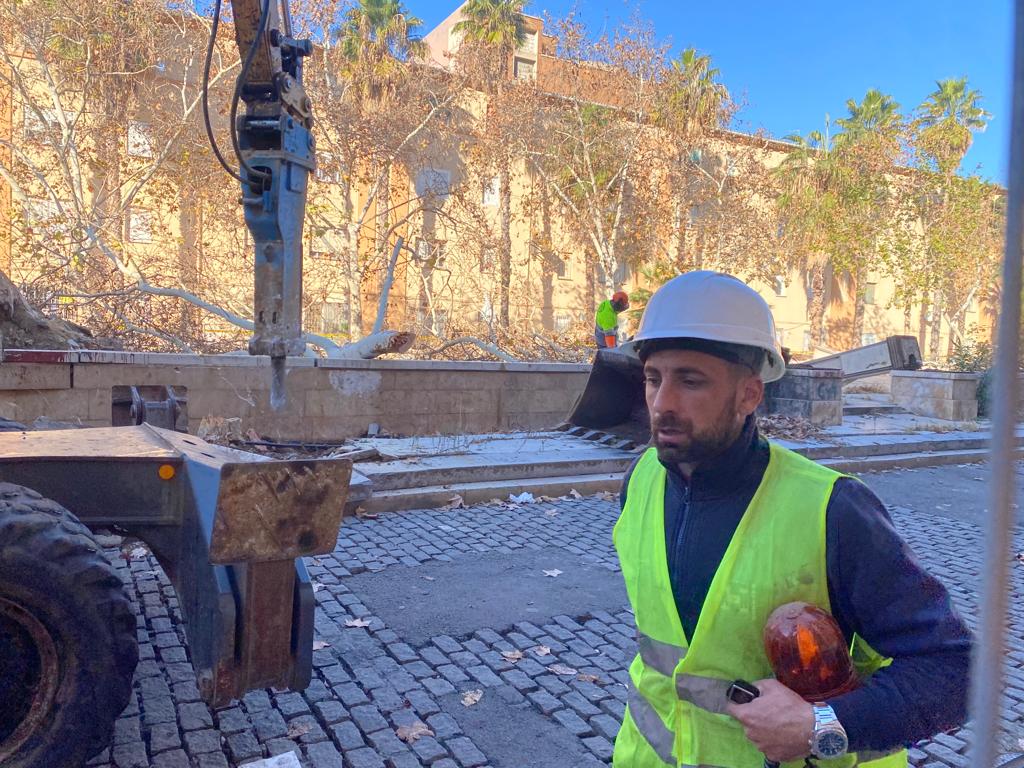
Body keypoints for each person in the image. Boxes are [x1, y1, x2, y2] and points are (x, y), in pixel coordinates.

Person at [614, 270, 971, 767]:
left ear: (749, 395)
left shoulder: (834, 510)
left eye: (690, 381)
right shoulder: (641, 480)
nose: (662, 403)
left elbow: (953, 669)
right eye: (654, 378)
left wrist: (823, 726)